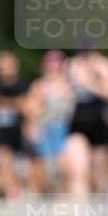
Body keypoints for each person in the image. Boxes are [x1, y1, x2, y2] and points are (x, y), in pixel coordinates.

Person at [62, 44, 108, 216]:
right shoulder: (70, 66)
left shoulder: (103, 65)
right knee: (78, 170)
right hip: (77, 122)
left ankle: (101, 213)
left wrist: (89, 82)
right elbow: (63, 92)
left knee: (98, 173)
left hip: (99, 122)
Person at [25, 51, 73, 193]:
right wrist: (33, 122)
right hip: (45, 128)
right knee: (46, 166)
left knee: (63, 166)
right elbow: (30, 107)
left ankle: (61, 194)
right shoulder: (40, 85)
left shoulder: (69, 85)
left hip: (64, 128)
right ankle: (48, 195)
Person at [0, 51, 28, 200]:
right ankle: (10, 192)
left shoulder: (21, 84)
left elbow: (23, 106)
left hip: (18, 132)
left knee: (21, 169)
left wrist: (4, 102)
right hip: (0, 131)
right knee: (2, 162)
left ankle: (17, 190)